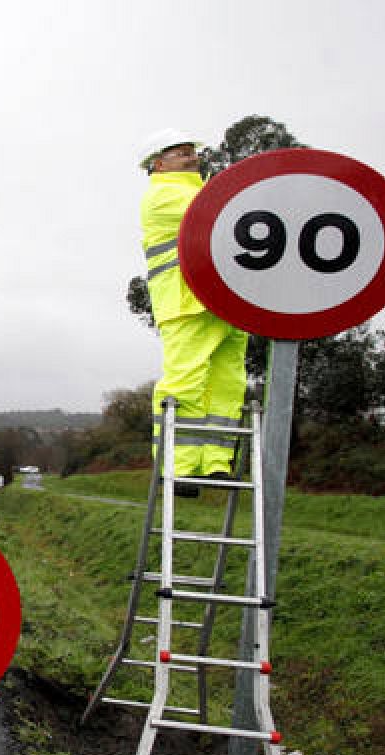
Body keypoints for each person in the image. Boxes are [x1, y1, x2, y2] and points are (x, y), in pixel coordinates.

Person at [138, 128, 248, 495]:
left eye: (191, 151)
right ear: (159, 163)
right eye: (182, 153)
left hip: (225, 302)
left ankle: (214, 464)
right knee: (185, 383)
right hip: (186, 302)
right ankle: (177, 467)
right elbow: (219, 217)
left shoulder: (202, 190)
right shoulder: (163, 195)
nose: (192, 157)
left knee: (226, 387)